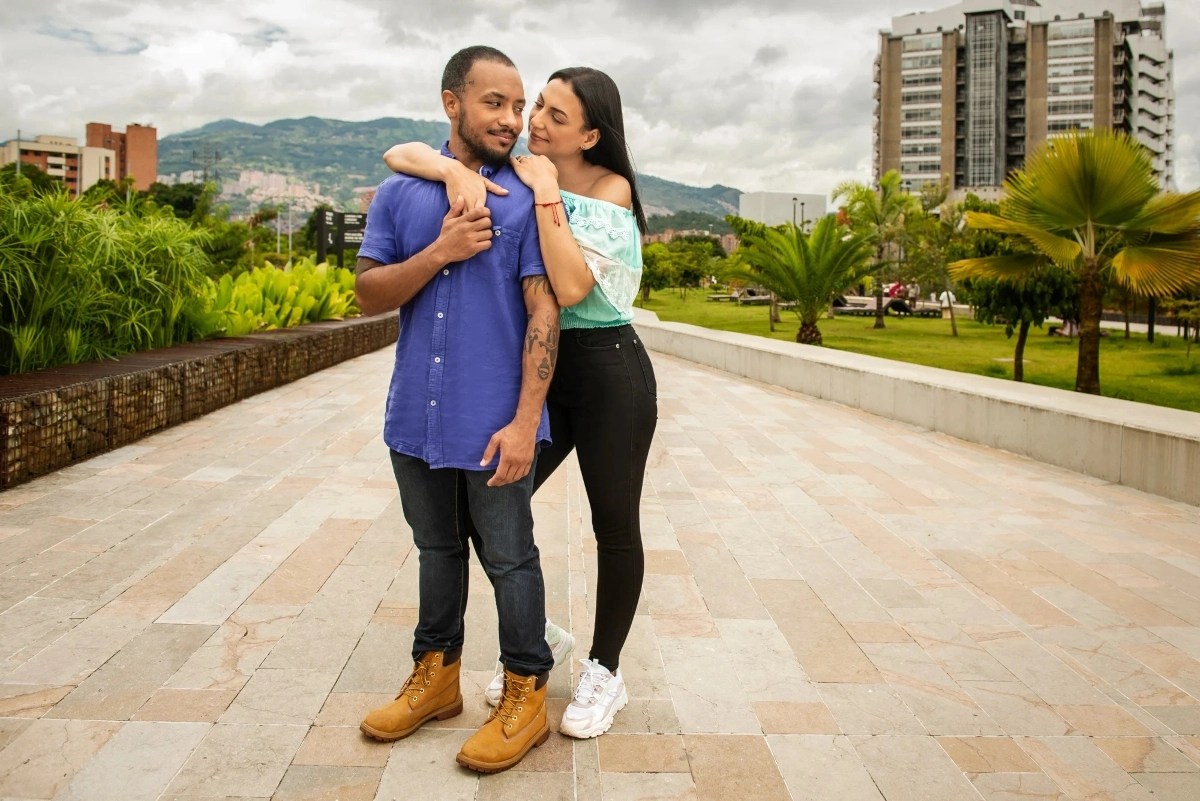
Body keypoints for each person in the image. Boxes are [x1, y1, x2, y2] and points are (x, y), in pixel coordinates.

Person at [384, 65, 657, 740]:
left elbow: (567, 287)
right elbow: (402, 153)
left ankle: (605, 668)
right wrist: (452, 174)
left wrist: (544, 194)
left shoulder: (606, 186)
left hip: (606, 371)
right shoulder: (524, 162)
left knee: (614, 524)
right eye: (538, 105)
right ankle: (541, 635)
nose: (534, 120)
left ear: (591, 134)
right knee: (490, 509)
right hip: (544, 373)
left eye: (556, 116)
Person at [354, 45, 561, 774]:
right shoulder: (402, 194)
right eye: (494, 103)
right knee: (436, 550)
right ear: (453, 104)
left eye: (517, 104)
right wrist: (440, 251)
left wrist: (524, 420)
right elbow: (370, 293)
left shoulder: (526, 197)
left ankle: (526, 692)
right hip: (416, 417)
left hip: (493, 424)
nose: (511, 119)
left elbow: (545, 311)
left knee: (510, 558)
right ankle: (437, 678)